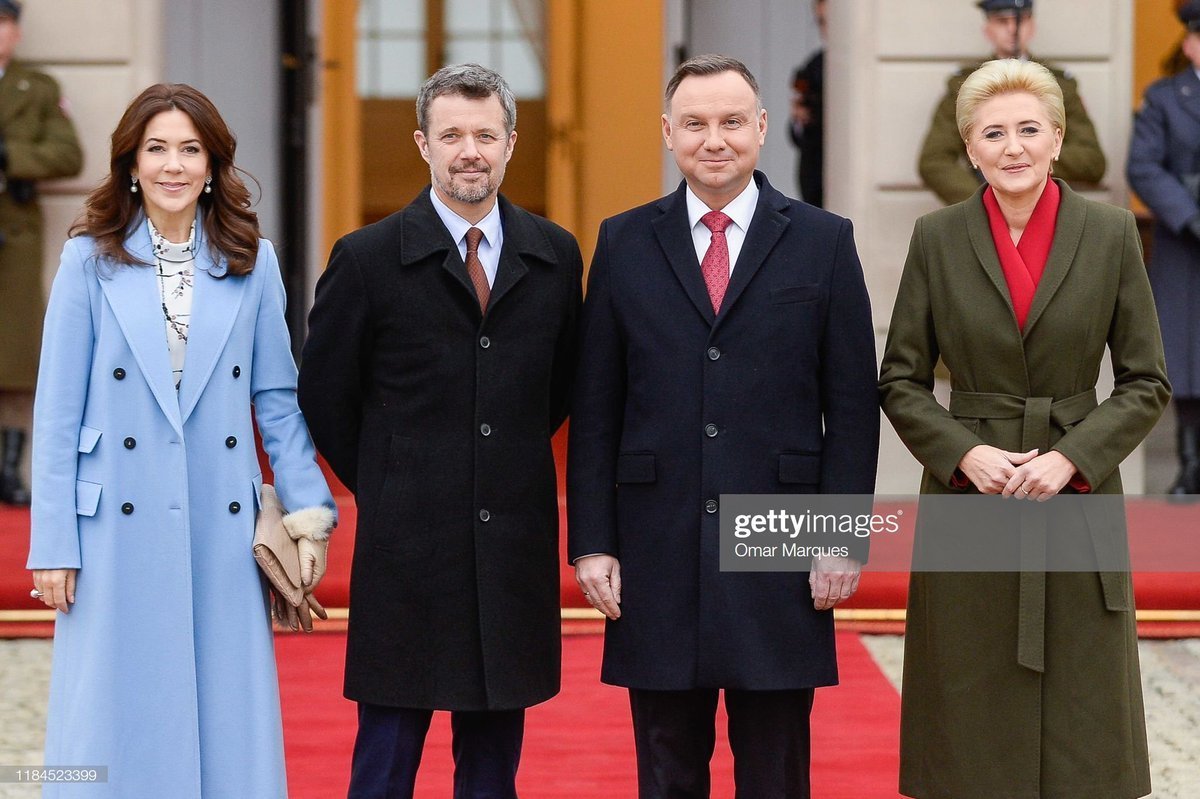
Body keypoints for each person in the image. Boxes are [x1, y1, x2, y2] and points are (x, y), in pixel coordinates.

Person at [568, 54, 878, 798]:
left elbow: (852, 405)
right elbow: (597, 406)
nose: (715, 139)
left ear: (762, 128)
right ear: (668, 133)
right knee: (666, 767)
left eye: (732, 121)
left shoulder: (823, 240)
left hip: (780, 537)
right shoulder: (622, 242)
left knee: (775, 768)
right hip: (656, 539)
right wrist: (593, 541)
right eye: (696, 123)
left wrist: (840, 536)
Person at [26, 83, 336, 798]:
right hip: (112, 527)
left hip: (218, 522)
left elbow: (276, 401)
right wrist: (53, 542)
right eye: (157, 148)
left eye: (190, 149)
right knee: (108, 715)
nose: (174, 165)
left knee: (224, 714)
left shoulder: (252, 260)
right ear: (131, 164)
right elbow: (58, 414)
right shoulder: (87, 261)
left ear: (213, 165)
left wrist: (308, 512)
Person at [879, 59, 1168, 798]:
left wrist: (1073, 458)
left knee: (1081, 699)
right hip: (969, 491)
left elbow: (1146, 381)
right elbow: (901, 378)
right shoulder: (938, 238)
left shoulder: (1110, 234)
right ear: (970, 149)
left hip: (1076, 489)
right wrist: (963, 453)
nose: (1013, 147)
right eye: (993, 134)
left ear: (1058, 139)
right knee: (968, 689)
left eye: (1029, 129)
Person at [298, 63, 581, 798]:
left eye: (485, 135)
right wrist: (390, 477)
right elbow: (325, 394)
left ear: (511, 142)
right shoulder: (366, 259)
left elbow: (558, 388)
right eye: (451, 135)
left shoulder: (555, 256)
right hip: (407, 548)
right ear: (423, 143)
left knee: (492, 769)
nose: (469, 152)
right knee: (386, 761)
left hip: (511, 545)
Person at [0, 0, 83, 505]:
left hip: (12, 233)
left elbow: (68, 154)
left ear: (16, 31)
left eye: (2, 22)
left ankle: (8, 468)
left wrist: (12, 156)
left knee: (13, 352)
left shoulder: (37, 88)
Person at [917, 0, 1106, 206]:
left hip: (1046, 207)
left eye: (1020, 21)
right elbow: (934, 160)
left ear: (1032, 26)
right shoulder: (964, 86)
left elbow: (1092, 161)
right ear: (988, 30)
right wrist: (982, 203)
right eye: (1002, 21)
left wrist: (1031, 162)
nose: (1012, 29)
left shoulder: (1060, 85)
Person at [1127, 0, 1200, 497]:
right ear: (1190, 44)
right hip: (1186, 246)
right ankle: (1191, 464)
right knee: (1189, 359)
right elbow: (1144, 166)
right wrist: (1190, 217)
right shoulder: (1164, 98)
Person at [789, 0, 825, 207]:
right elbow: (797, 133)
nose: (825, 30)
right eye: (821, 22)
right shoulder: (814, 66)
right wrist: (801, 120)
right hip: (815, 179)